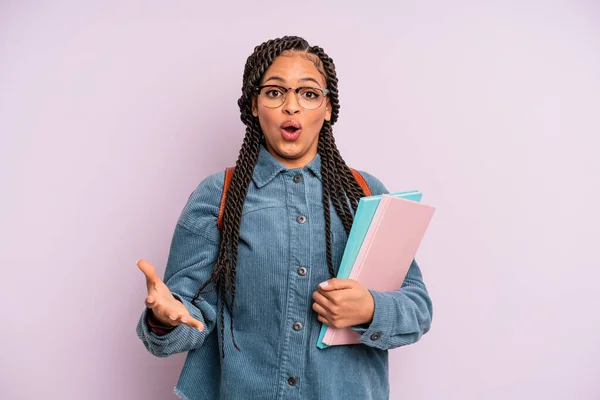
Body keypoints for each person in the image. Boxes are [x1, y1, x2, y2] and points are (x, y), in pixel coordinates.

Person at [136, 35, 433, 400]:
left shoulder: (366, 193)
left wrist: (371, 308)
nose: (291, 106)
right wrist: (166, 319)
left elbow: (417, 308)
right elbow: (188, 321)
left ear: (327, 108)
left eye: (308, 94)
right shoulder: (218, 195)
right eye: (275, 93)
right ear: (255, 106)